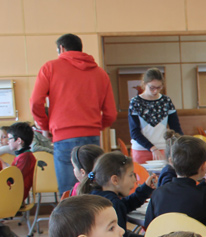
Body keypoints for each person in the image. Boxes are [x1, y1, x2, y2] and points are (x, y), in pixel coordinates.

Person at [30, 33, 117, 195]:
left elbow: (35, 102)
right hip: (92, 137)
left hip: (64, 137)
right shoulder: (100, 73)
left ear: (61, 49)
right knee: (93, 190)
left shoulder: (50, 68)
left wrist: (45, 127)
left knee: (68, 193)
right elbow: (111, 113)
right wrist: (96, 126)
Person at [78, 152, 157, 237]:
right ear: (115, 180)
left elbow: (126, 204)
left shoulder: (98, 194)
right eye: (131, 175)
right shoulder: (113, 204)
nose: (135, 180)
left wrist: (145, 189)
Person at [144, 135, 206, 229]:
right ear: (204, 166)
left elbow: (149, 226)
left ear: (171, 162)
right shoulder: (203, 195)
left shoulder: (158, 193)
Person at [128, 68, 184, 163]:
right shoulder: (135, 102)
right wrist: (152, 148)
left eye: (159, 87)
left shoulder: (166, 101)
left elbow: (176, 128)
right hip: (141, 149)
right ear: (144, 84)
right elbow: (134, 132)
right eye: (152, 87)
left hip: (163, 148)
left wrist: (183, 144)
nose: (155, 91)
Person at [6, 122, 37, 201]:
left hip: (15, 195)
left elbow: (14, 179)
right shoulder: (22, 156)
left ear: (19, 140)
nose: (7, 141)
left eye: (9, 138)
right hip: (11, 192)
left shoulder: (25, 157)